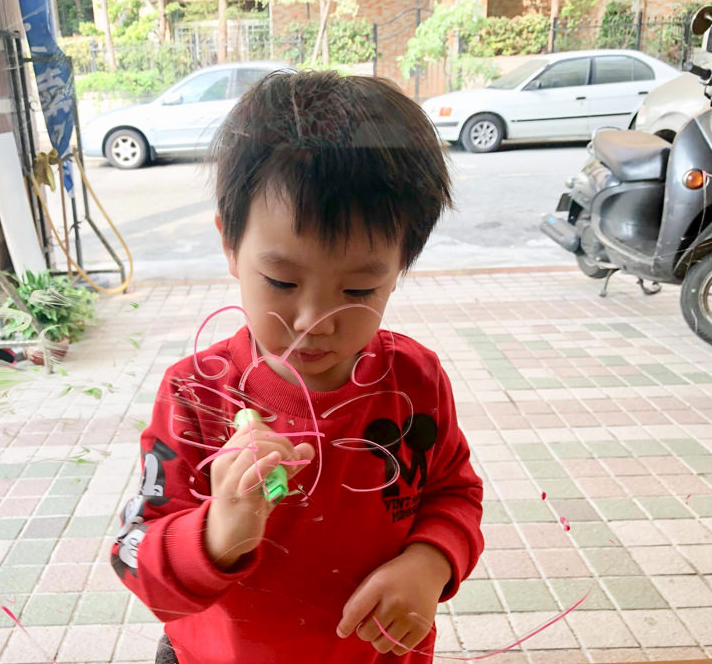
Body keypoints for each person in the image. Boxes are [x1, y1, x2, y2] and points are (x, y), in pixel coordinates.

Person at [111, 69, 484, 664]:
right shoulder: (196, 394)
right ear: (230, 247)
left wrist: (431, 561)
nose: (314, 320)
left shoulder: (415, 383)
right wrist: (218, 533)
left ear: (400, 268)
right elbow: (137, 559)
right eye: (282, 281)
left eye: (360, 289)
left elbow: (453, 492)